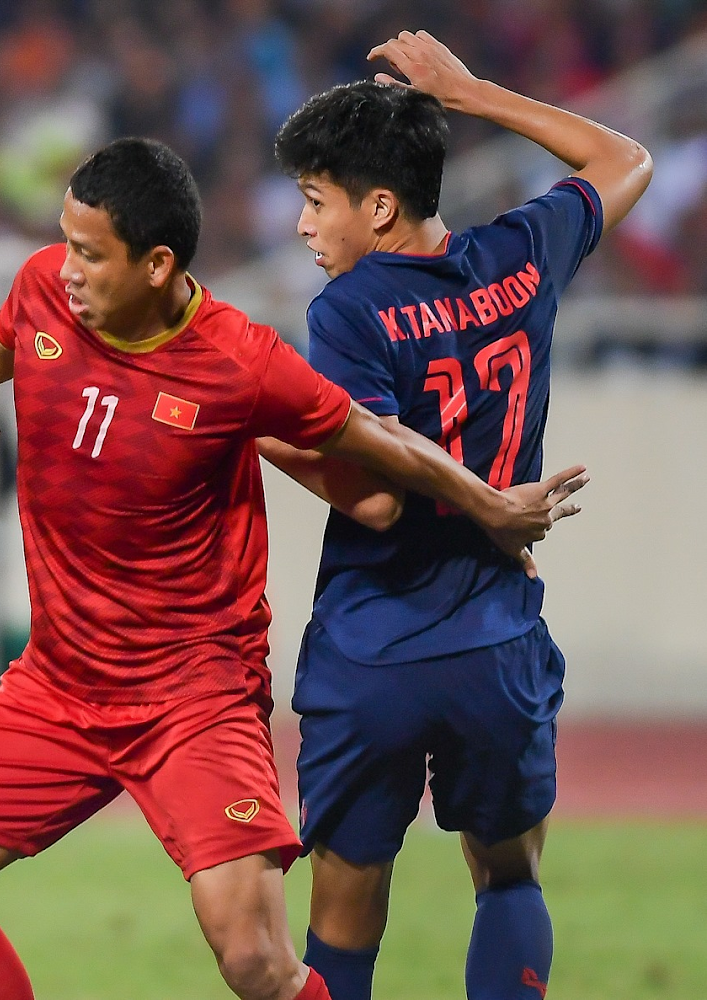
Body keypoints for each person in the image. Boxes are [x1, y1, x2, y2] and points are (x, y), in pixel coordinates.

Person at [0, 136, 586, 1000]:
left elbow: (377, 444)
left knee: (254, 959)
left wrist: (488, 504)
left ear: (157, 263)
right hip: (56, 684)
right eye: (66, 242)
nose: (66, 270)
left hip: (193, 698)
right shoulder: (45, 292)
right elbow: (1, 339)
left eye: (91, 254)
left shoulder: (237, 360)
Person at [263, 31, 653, 1000]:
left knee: (344, 910)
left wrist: (256, 432)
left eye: (317, 201)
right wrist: (476, 93)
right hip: (493, 638)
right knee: (510, 872)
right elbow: (623, 159)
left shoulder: (348, 311)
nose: (304, 225)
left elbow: (381, 491)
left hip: (372, 645)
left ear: (378, 206)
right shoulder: (520, 256)